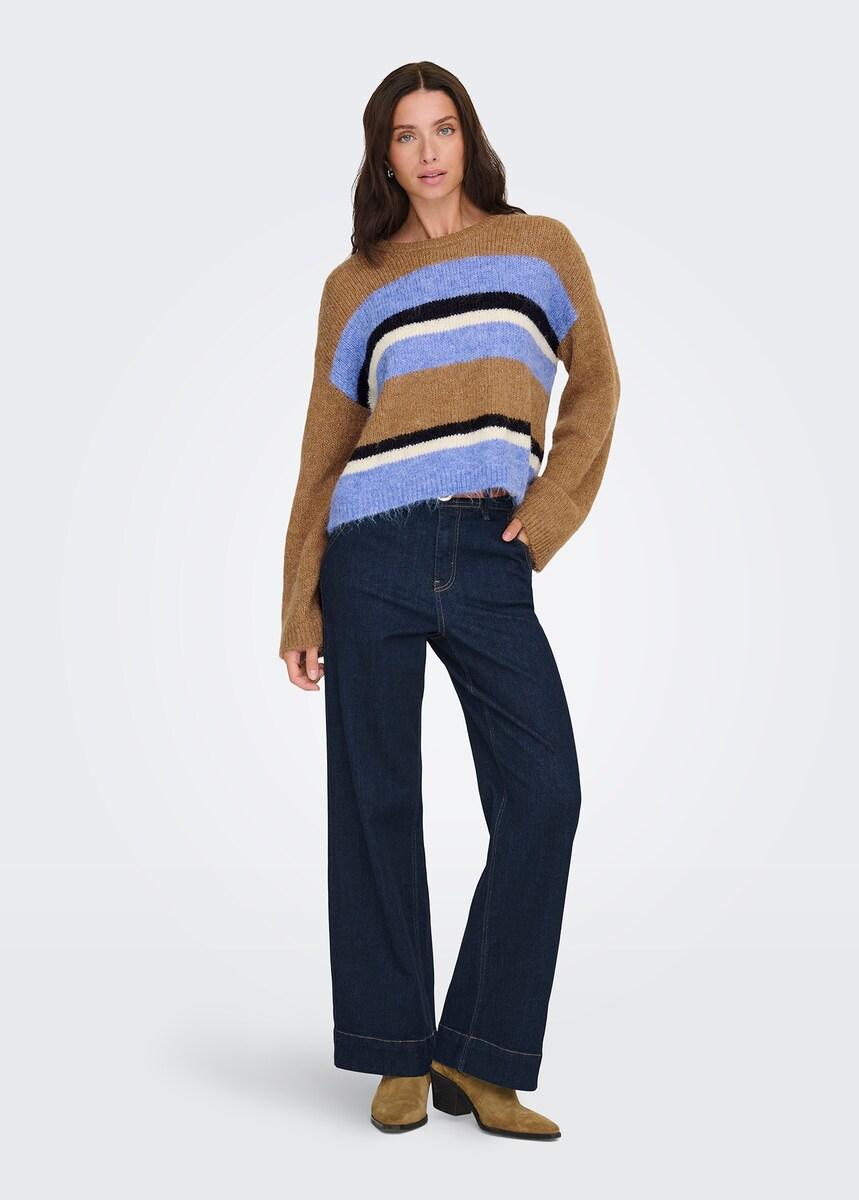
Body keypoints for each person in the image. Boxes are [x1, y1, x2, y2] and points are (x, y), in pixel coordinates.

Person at [279, 62, 621, 1141]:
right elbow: (323, 451)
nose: (428, 151)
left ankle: (474, 1051)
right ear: (383, 154)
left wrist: (547, 514)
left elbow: (598, 384)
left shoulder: (541, 249)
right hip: (369, 551)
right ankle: (393, 1053)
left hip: (488, 550)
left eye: (444, 128)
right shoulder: (356, 283)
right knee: (375, 801)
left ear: (469, 138)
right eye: (406, 134)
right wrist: (298, 601)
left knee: (546, 791)